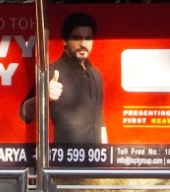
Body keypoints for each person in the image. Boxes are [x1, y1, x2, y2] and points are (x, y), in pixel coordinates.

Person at [20, 12, 108, 144]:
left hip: (95, 159)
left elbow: (99, 119)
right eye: (77, 38)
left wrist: (106, 156)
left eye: (88, 38)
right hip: (66, 159)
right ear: (65, 41)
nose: (83, 43)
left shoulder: (96, 74)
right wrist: (43, 96)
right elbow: (24, 113)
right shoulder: (52, 71)